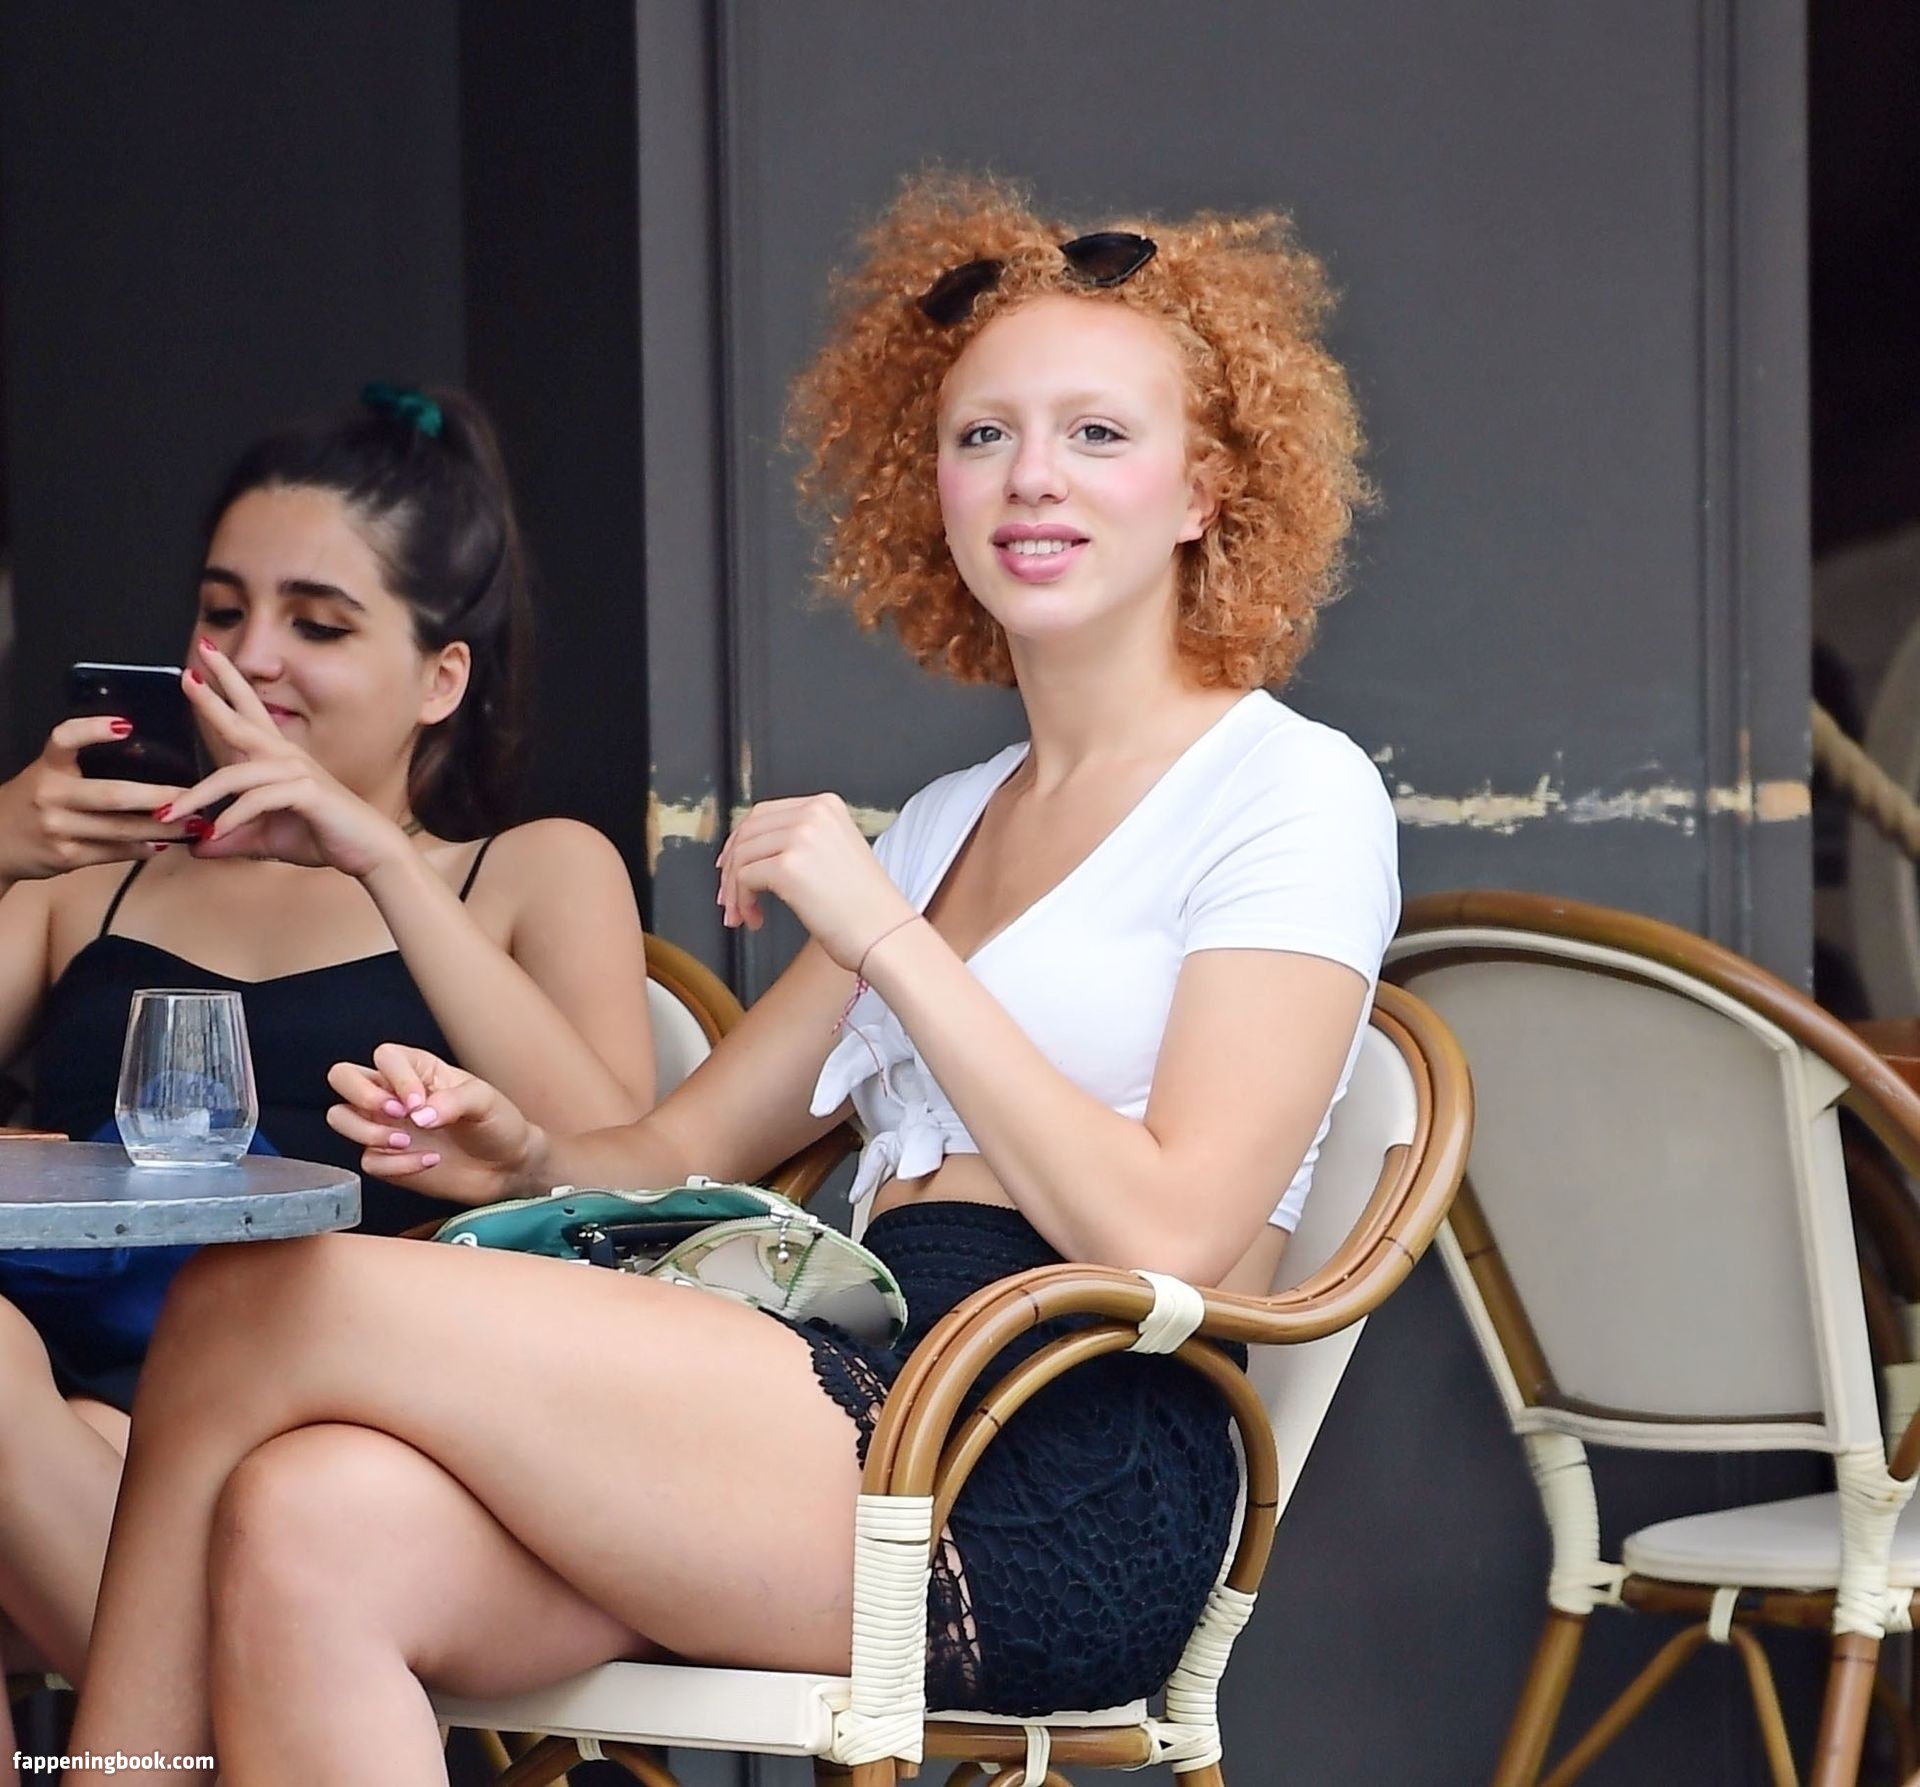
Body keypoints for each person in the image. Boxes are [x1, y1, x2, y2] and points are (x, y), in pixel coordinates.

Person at [64, 174, 1397, 1784]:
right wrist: (520, 1152)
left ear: (1206, 489)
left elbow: (1175, 1233)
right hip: (855, 1397)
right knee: (310, 1520)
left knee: (254, 1297)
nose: (1030, 477)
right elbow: (669, 1155)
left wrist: (886, 933)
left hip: (1052, 1465)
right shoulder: (951, 823)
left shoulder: (1287, 790)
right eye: (982, 435)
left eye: (1097, 434)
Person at [0, 386, 654, 1766]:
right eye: (222, 611)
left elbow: (626, 1163)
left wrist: (374, 857)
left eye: (319, 623)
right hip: (79, 1417)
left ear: (441, 680)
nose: (253, 658)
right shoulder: (87, 882)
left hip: (355, 1436)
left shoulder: (528, 871)